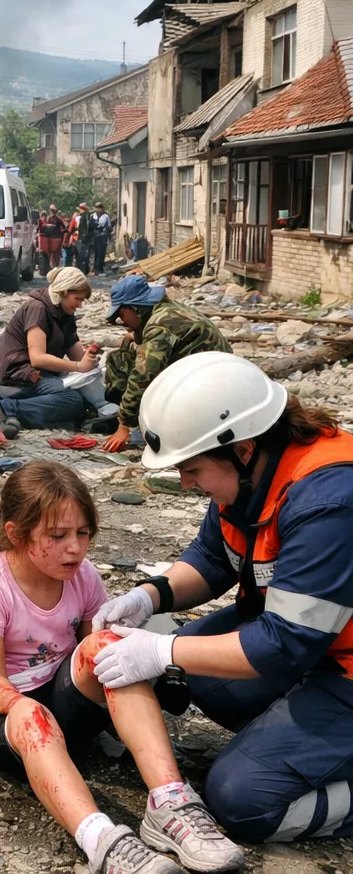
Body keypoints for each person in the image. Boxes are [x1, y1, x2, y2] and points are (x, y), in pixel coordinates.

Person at [91, 352, 353, 844]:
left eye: (191, 468)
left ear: (243, 449)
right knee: (193, 673)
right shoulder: (252, 477)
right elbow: (213, 557)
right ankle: (304, 745)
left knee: (242, 801)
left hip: (341, 666)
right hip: (318, 649)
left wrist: (160, 649)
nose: (185, 482)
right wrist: (150, 595)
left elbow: (283, 644)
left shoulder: (328, 501)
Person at [0, 461, 243, 874]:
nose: (75, 548)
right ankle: (101, 840)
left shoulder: (81, 575)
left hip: (59, 700)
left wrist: (147, 666)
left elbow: (93, 650)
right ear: (16, 534)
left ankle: (170, 802)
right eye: (58, 536)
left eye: (83, 533)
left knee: (112, 651)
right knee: (31, 715)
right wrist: (22, 707)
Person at [0, 267, 95, 432]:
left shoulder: (64, 314)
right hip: (19, 375)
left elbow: (78, 355)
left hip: (37, 376)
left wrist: (90, 359)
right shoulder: (38, 308)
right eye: (77, 299)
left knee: (81, 402)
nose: (80, 305)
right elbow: (37, 358)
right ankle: (2, 409)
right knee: (71, 399)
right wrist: (78, 367)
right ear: (64, 292)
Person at [99, 276, 232, 453]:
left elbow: (143, 376)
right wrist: (133, 337)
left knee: (129, 368)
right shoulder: (166, 309)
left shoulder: (159, 326)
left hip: (208, 388)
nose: (123, 322)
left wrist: (124, 425)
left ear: (134, 309)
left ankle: (139, 424)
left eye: (121, 316)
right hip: (207, 372)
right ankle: (136, 416)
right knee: (119, 358)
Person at [39, 204, 66, 276]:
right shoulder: (50, 218)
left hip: (54, 239)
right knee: (51, 255)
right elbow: (64, 229)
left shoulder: (55, 219)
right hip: (51, 239)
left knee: (53, 255)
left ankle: (53, 269)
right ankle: (52, 270)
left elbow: (64, 229)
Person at [91, 203, 112, 275]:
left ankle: (100, 268)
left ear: (102, 208)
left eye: (99, 208)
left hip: (103, 236)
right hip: (95, 237)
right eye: (97, 208)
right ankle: (95, 268)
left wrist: (106, 230)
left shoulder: (106, 216)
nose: (98, 209)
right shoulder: (93, 216)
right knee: (96, 253)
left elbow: (109, 226)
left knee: (101, 253)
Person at [73, 203, 94, 275]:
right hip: (88, 239)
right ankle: (86, 269)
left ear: (81, 209)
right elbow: (91, 227)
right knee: (86, 255)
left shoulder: (80, 217)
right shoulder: (90, 216)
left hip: (81, 238)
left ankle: (81, 270)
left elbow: (78, 227)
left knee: (80, 255)